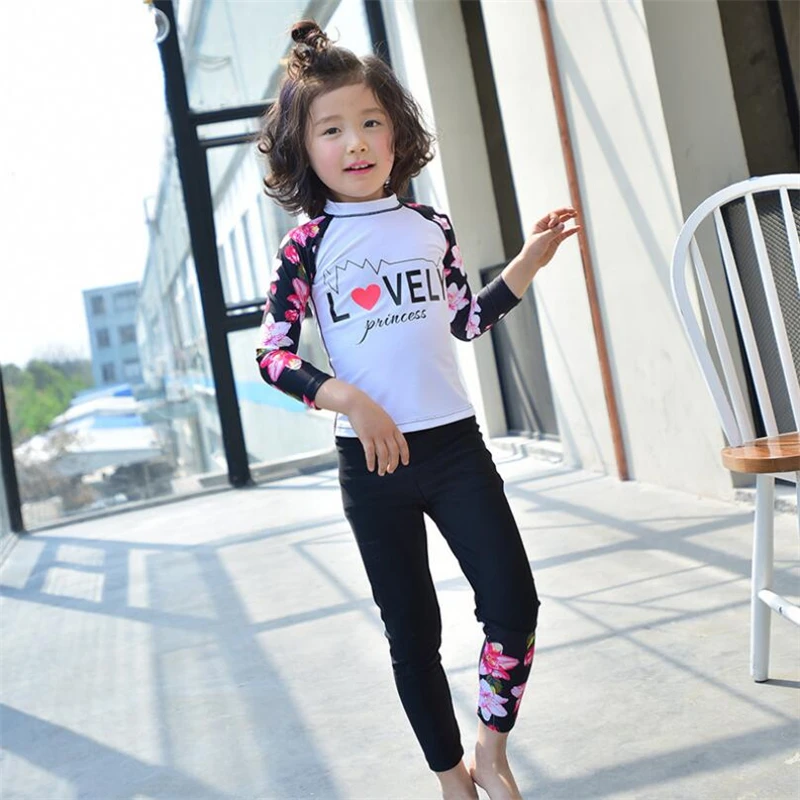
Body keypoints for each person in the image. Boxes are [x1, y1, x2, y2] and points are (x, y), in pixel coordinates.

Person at [255, 20, 579, 800]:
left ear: (397, 131)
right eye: (332, 129)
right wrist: (348, 399)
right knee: (413, 634)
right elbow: (272, 355)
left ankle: (491, 751)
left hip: (455, 448)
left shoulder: (430, 227)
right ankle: (451, 781)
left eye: (371, 121)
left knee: (513, 604)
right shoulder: (306, 246)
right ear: (304, 149)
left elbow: (465, 320)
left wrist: (527, 264)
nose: (356, 142)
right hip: (371, 464)